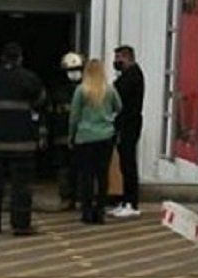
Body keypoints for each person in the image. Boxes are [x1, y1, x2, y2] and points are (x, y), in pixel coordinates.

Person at [0, 42, 46, 236]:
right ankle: (20, 224)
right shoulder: (29, 78)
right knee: (21, 186)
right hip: (21, 144)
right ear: (20, 58)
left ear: (2, 58)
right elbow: (41, 101)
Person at [69, 59, 121, 225]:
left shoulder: (81, 90)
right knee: (102, 175)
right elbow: (119, 107)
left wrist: (71, 136)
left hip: (85, 137)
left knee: (87, 176)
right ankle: (100, 211)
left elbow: (74, 116)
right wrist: (108, 117)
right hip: (105, 136)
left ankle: (87, 211)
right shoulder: (110, 90)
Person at [109, 45, 145, 218]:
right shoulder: (127, 75)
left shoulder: (132, 76)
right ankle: (125, 201)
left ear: (127, 57)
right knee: (124, 163)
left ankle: (131, 202)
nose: (116, 62)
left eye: (118, 58)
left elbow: (117, 94)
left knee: (128, 163)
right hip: (125, 123)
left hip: (129, 124)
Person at [48, 52, 84, 211]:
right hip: (62, 134)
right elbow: (51, 112)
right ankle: (66, 197)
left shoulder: (86, 89)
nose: (74, 73)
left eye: (77, 69)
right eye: (71, 70)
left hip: (81, 135)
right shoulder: (58, 91)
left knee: (80, 168)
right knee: (64, 168)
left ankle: (80, 198)